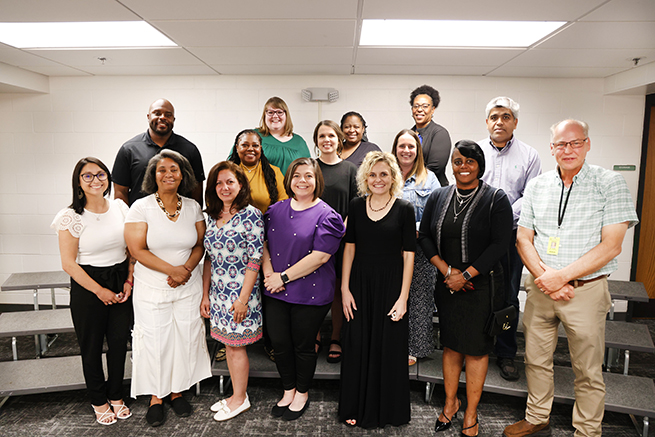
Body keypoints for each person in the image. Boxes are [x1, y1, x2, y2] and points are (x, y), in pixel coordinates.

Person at [504, 119, 639, 437]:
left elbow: (612, 245)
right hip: (541, 289)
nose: (568, 149)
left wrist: (560, 277)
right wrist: (544, 277)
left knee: (588, 369)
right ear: (551, 148)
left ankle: (587, 431)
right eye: (561, 144)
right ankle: (537, 417)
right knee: (535, 359)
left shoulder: (610, 182)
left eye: (576, 142)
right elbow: (524, 238)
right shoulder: (538, 186)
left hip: (586, 291)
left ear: (588, 144)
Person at [419, 141, 513, 436]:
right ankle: (450, 404)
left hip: (482, 286)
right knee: (450, 347)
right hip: (447, 284)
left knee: (475, 351)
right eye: (458, 161)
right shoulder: (438, 196)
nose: (463, 167)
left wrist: (467, 274)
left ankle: (471, 412)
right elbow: (424, 237)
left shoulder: (496, 199)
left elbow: (500, 244)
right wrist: (447, 271)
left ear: (479, 165)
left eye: (470, 161)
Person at [124, 150, 211, 427]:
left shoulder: (193, 207)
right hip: (152, 287)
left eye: (174, 169)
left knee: (184, 337)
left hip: (188, 285)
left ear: (182, 174)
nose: (168, 174)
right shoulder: (141, 207)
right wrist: (171, 271)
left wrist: (184, 271)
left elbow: (199, 245)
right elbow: (136, 249)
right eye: (162, 170)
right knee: (156, 340)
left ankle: (177, 392)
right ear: (153, 175)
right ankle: (156, 397)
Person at [261, 158, 345, 421]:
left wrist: (282, 277)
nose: (302, 181)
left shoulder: (327, 215)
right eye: (297, 175)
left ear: (317, 180)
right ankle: (288, 389)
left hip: (311, 291)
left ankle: (302, 392)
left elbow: (320, 257)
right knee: (280, 343)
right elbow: (263, 244)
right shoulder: (275, 210)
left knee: (303, 345)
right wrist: (268, 276)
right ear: (289, 180)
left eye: (308, 176)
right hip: (275, 289)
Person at [52, 157, 133, 426]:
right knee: (92, 346)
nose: (95, 180)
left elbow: (130, 249)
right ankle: (98, 400)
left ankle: (116, 395)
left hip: (119, 278)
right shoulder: (70, 216)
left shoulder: (120, 207)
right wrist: (100, 290)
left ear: (108, 178)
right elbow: (68, 263)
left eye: (100, 174)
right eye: (87, 176)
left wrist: (128, 281)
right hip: (88, 285)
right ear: (78, 182)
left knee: (119, 344)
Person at [339, 151, 416, 429]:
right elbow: (349, 248)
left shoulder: (405, 208)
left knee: (388, 348)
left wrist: (403, 297)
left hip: (391, 286)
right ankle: (355, 406)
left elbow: (409, 254)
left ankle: (387, 411)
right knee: (357, 344)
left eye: (384, 174)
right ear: (365, 178)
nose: (378, 179)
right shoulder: (357, 205)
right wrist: (345, 289)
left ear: (393, 176)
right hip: (359, 284)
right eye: (372, 174)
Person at [477, 96, 542, 382]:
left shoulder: (530, 155)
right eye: (494, 116)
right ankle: (476, 347)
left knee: (508, 296)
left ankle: (505, 353)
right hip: (478, 234)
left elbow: (531, 198)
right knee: (477, 292)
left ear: (515, 122)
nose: (499, 122)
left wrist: (500, 216)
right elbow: (465, 185)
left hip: (512, 236)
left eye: (505, 117)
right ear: (487, 121)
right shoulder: (476, 150)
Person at [201, 161, 264, 421]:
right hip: (217, 293)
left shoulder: (251, 215)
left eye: (230, 182)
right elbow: (208, 258)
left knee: (237, 348)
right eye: (219, 183)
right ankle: (236, 394)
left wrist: (242, 300)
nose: (224, 187)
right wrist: (205, 295)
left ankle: (240, 398)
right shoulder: (211, 216)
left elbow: (255, 260)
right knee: (228, 345)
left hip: (241, 294)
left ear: (241, 185)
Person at [391, 129, 440, 365]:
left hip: (420, 249)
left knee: (419, 299)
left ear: (418, 151)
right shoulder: (386, 175)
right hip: (389, 249)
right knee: (391, 296)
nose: (406, 151)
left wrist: (412, 228)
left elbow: (437, 216)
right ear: (395, 148)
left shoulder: (430, 180)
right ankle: (391, 342)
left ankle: (414, 348)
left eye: (411, 146)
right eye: (402, 146)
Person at [313, 120, 358, 363]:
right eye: (322, 136)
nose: (327, 140)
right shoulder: (310, 167)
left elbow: (356, 204)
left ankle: (336, 338)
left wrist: (342, 229)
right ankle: (316, 334)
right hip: (313, 241)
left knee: (339, 291)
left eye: (331, 135)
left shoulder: (350, 169)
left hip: (341, 239)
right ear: (316, 141)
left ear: (339, 139)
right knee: (315, 289)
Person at [112, 98, 205, 206]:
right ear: (148, 117)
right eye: (157, 113)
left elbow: (197, 191)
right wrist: (128, 220)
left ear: (173, 119)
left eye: (168, 115)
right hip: (142, 220)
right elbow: (120, 191)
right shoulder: (129, 149)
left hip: (180, 219)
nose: (162, 117)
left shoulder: (190, 150)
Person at [227, 129, 288, 214]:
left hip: (266, 224)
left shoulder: (274, 172)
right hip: (232, 224)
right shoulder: (227, 172)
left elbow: (284, 203)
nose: (250, 149)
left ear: (260, 148)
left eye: (255, 145)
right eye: (245, 145)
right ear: (237, 147)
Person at [409, 85, 452, 187]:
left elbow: (435, 167)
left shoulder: (439, 133)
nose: (419, 109)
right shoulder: (409, 134)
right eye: (416, 106)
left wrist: (409, 179)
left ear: (432, 110)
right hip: (410, 188)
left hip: (433, 190)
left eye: (425, 106)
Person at [257, 97, 311, 174]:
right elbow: (235, 165)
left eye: (279, 112)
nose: (275, 116)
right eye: (270, 112)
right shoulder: (253, 137)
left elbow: (308, 171)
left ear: (286, 115)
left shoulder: (299, 142)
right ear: (264, 115)